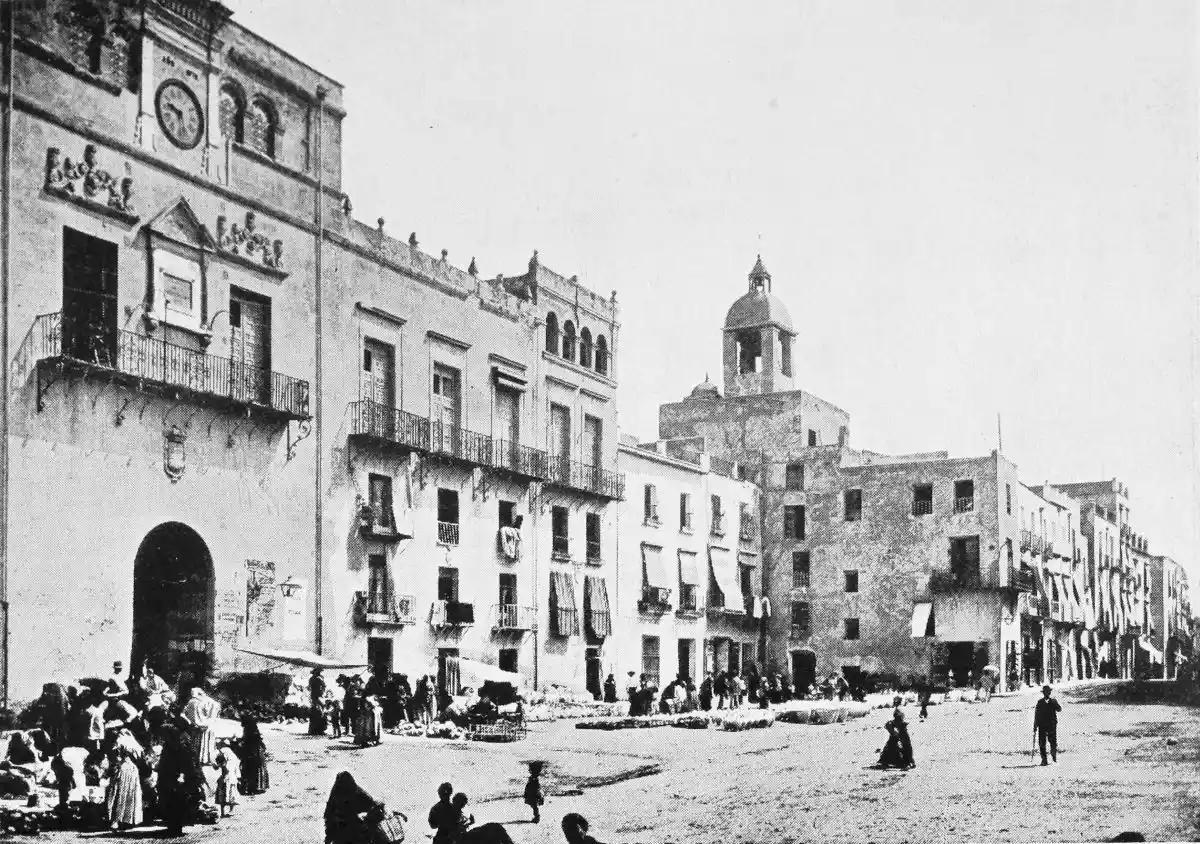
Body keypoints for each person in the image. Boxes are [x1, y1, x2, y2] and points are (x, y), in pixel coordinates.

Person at [325, 771, 384, 844]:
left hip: (354, 826)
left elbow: (371, 804)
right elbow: (329, 818)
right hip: (344, 828)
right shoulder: (336, 797)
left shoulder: (356, 792)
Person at [105, 730, 143, 830]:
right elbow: (139, 758)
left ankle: (116, 820)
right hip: (132, 769)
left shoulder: (120, 742)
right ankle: (128, 820)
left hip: (123, 768)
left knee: (120, 793)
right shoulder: (134, 744)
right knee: (130, 793)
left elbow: (117, 758)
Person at [181, 687, 218, 766]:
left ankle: (195, 761)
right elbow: (214, 713)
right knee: (207, 743)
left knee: (195, 744)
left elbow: (187, 713)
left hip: (196, 726)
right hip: (207, 726)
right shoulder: (210, 701)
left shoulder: (192, 701)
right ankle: (205, 759)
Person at [236, 716, 270, 795]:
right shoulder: (253, 730)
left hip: (253, 754)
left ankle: (252, 787)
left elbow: (248, 741)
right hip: (257, 753)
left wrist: (240, 744)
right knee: (256, 769)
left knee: (250, 770)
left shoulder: (248, 730)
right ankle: (259, 787)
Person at [1034, 684, 1062, 766]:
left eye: (1047, 692)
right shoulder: (1040, 702)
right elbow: (1037, 714)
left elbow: (1059, 709)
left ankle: (1054, 758)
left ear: (1049, 693)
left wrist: (1055, 704)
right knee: (1042, 743)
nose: (1046, 693)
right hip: (1042, 725)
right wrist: (1035, 725)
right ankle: (1044, 760)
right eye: (1045, 692)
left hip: (1051, 724)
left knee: (1052, 742)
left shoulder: (1053, 701)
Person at [214, 740, 240, 817]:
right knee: (231, 793)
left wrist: (216, 766)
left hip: (225, 776)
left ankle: (222, 811)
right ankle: (231, 810)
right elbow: (236, 767)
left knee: (222, 794)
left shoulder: (222, 752)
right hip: (232, 777)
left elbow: (222, 764)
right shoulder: (232, 754)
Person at [309, 668, 329, 736]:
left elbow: (310, 687)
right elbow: (324, 685)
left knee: (316, 711)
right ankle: (319, 730)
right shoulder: (318, 678)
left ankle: (314, 730)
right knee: (320, 712)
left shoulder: (312, 679)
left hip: (314, 696)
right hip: (317, 696)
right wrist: (322, 691)